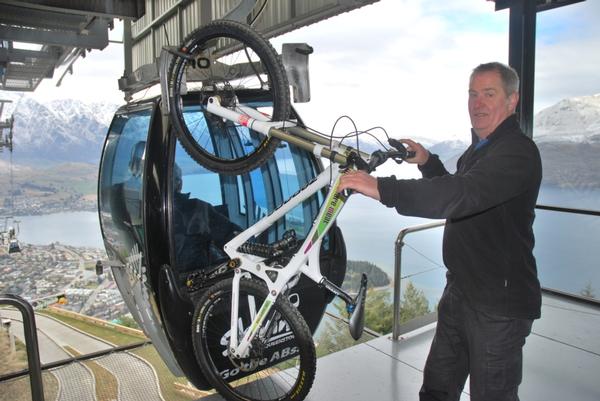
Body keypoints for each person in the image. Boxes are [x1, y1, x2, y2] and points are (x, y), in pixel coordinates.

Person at [338, 62, 542, 401]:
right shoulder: (483, 149)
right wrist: (428, 161)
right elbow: (459, 188)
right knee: (436, 388)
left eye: (489, 94)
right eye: (472, 94)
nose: (477, 104)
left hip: (498, 305)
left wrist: (384, 188)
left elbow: (463, 194)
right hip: (461, 291)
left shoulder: (517, 153)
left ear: (512, 101)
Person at [172, 164, 241, 273]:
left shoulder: (145, 214)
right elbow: (233, 236)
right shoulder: (198, 208)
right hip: (196, 283)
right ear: (179, 184)